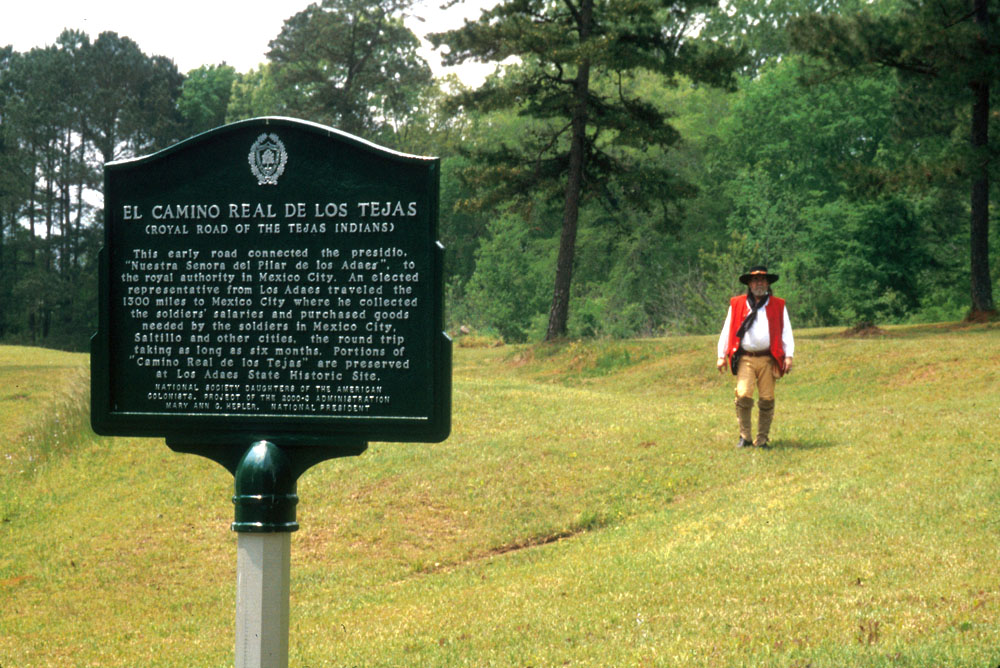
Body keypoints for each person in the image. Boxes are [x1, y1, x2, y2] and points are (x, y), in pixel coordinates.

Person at [716, 266, 795, 449]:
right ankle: (745, 437)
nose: (759, 284)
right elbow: (727, 330)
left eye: (762, 280)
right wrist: (721, 355)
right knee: (743, 395)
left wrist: (788, 356)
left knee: (767, 399)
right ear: (749, 284)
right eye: (755, 281)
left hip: (768, 358)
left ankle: (762, 439)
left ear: (767, 284)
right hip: (746, 358)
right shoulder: (737, 304)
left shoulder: (778, 305)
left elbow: (786, 331)